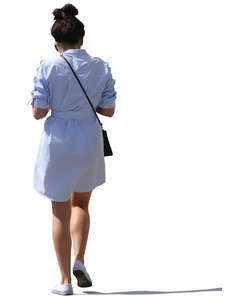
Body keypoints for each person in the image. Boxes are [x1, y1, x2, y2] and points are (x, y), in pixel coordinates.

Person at [27, 3, 117, 296]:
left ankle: (65, 281)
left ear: (57, 43)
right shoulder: (101, 66)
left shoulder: (48, 66)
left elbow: (39, 112)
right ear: (82, 39)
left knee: (59, 211)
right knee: (81, 204)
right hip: (87, 138)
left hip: (59, 143)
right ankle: (80, 259)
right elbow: (109, 109)